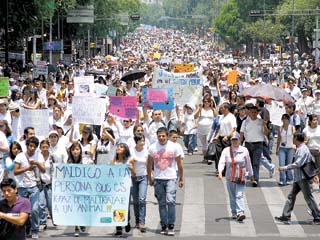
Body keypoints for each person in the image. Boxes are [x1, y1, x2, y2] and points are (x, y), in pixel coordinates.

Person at [275, 132, 320, 224]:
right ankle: (286, 216)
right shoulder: (300, 148)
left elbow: (298, 163)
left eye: (293, 137)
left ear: (296, 139)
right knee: (291, 196)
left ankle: (318, 216)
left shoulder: (302, 149)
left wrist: (285, 167)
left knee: (308, 197)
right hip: (298, 178)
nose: (292, 139)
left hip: (303, 178)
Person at [147, 127, 184, 236]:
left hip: (171, 177)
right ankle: (164, 224)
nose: (161, 138)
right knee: (162, 203)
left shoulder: (174, 147)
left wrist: (181, 178)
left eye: (163, 136)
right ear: (157, 136)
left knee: (171, 200)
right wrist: (150, 177)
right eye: (159, 136)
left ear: (167, 136)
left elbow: (179, 164)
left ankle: (171, 224)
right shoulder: (152, 147)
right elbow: (149, 164)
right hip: (158, 179)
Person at [13, 136, 45, 239]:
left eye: (34, 146)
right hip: (22, 186)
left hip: (34, 186)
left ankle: (35, 229)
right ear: (27, 145)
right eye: (30, 146)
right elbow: (15, 171)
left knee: (35, 209)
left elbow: (43, 170)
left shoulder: (39, 156)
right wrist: (27, 168)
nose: (32, 148)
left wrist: (36, 163)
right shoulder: (20, 156)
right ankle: (27, 227)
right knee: (23, 210)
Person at [218, 132, 253, 222]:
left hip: (241, 176)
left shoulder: (244, 150)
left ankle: (240, 212)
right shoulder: (226, 150)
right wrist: (220, 172)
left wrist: (251, 175)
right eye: (233, 140)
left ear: (239, 140)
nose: (234, 142)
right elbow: (222, 161)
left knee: (239, 195)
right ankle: (234, 212)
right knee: (232, 195)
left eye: (236, 140)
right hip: (230, 176)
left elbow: (248, 163)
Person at [111, 143, 133, 236]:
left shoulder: (129, 160)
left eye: (121, 147)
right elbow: (109, 173)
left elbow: (134, 174)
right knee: (116, 206)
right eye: (118, 147)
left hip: (126, 187)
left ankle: (127, 220)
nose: (118, 148)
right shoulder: (113, 161)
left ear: (125, 150)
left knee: (125, 206)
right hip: (116, 187)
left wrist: (131, 168)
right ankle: (118, 227)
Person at [130, 134, 148, 232]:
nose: (143, 142)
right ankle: (137, 220)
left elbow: (149, 163)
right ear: (136, 142)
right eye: (141, 141)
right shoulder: (131, 150)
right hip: (133, 177)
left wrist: (151, 175)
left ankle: (142, 221)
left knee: (142, 199)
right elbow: (129, 161)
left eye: (143, 140)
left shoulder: (146, 151)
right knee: (136, 201)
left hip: (143, 177)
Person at [67, 142, 86, 237]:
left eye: (77, 149)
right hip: (72, 189)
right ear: (70, 151)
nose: (75, 151)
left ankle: (82, 222)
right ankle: (76, 227)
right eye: (73, 149)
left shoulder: (84, 161)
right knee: (75, 208)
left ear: (80, 151)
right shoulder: (68, 162)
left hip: (83, 188)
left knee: (82, 208)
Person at [276, 113, 295, 186]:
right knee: (282, 163)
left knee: (289, 164)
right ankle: (282, 179)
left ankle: (289, 178)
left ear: (289, 120)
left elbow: (294, 136)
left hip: (290, 148)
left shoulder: (292, 127)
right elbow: (278, 139)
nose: (285, 121)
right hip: (282, 148)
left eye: (286, 119)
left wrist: (295, 145)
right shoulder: (280, 128)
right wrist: (277, 148)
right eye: (283, 119)